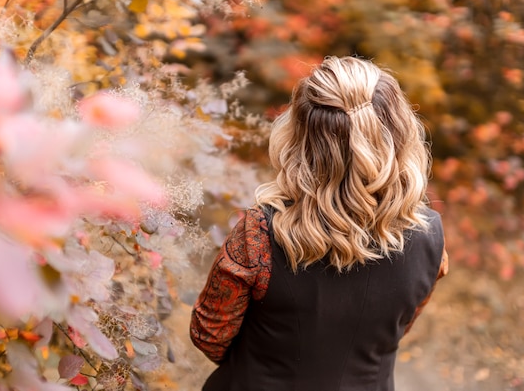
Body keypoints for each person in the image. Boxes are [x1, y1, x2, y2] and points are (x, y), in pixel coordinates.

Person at [190, 56, 448, 391]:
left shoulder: (260, 234)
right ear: (400, 132)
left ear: (302, 139)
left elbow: (209, 334)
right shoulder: (432, 237)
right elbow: (395, 328)